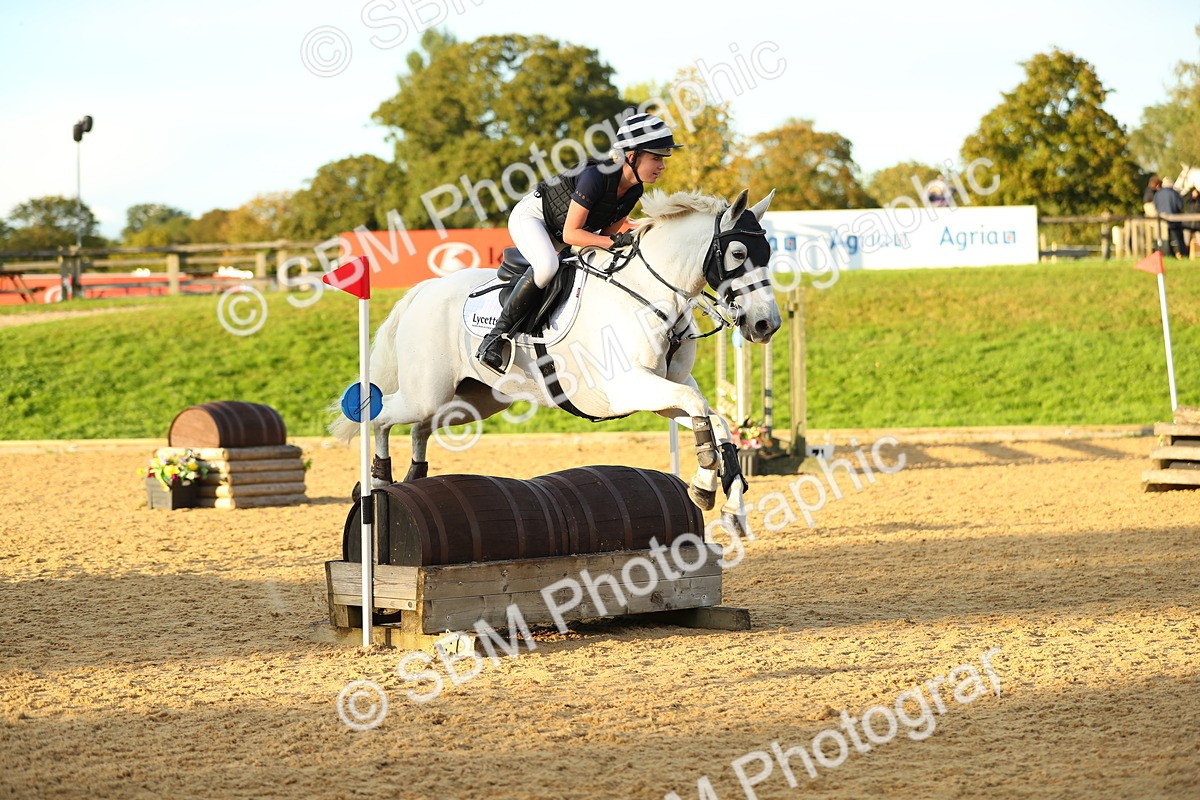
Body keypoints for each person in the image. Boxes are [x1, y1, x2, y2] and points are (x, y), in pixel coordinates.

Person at [476, 113, 684, 373]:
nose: (662, 165)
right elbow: (571, 235)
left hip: (563, 231)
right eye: (655, 157)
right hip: (534, 219)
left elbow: (609, 233)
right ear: (631, 156)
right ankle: (495, 338)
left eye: (662, 159)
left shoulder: (635, 190)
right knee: (546, 266)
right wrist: (613, 241)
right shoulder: (596, 176)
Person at [1153, 177, 1186, 258]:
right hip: (1175, 220)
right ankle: (1179, 254)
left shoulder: (1157, 194)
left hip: (1162, 221)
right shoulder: (1174, 193)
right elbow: (1180, 206)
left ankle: (1166, 255)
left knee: (1164, 239)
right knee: (1176, 239)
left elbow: (1155, 207)